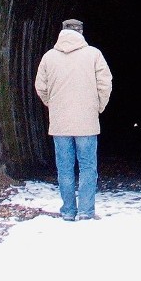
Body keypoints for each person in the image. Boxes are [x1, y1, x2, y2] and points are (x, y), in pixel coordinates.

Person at [35, 19, 112, 221]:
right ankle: (86, 211)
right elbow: (105, 84)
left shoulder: (48, 57)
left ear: (62, 32)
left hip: (60, 124)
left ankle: (68, 211)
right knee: (87, 167)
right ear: (81, 32)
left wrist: (52, 105)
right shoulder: (94, 54)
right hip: (86, 123)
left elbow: (41, 86)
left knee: (65, 168)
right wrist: (98, 107)